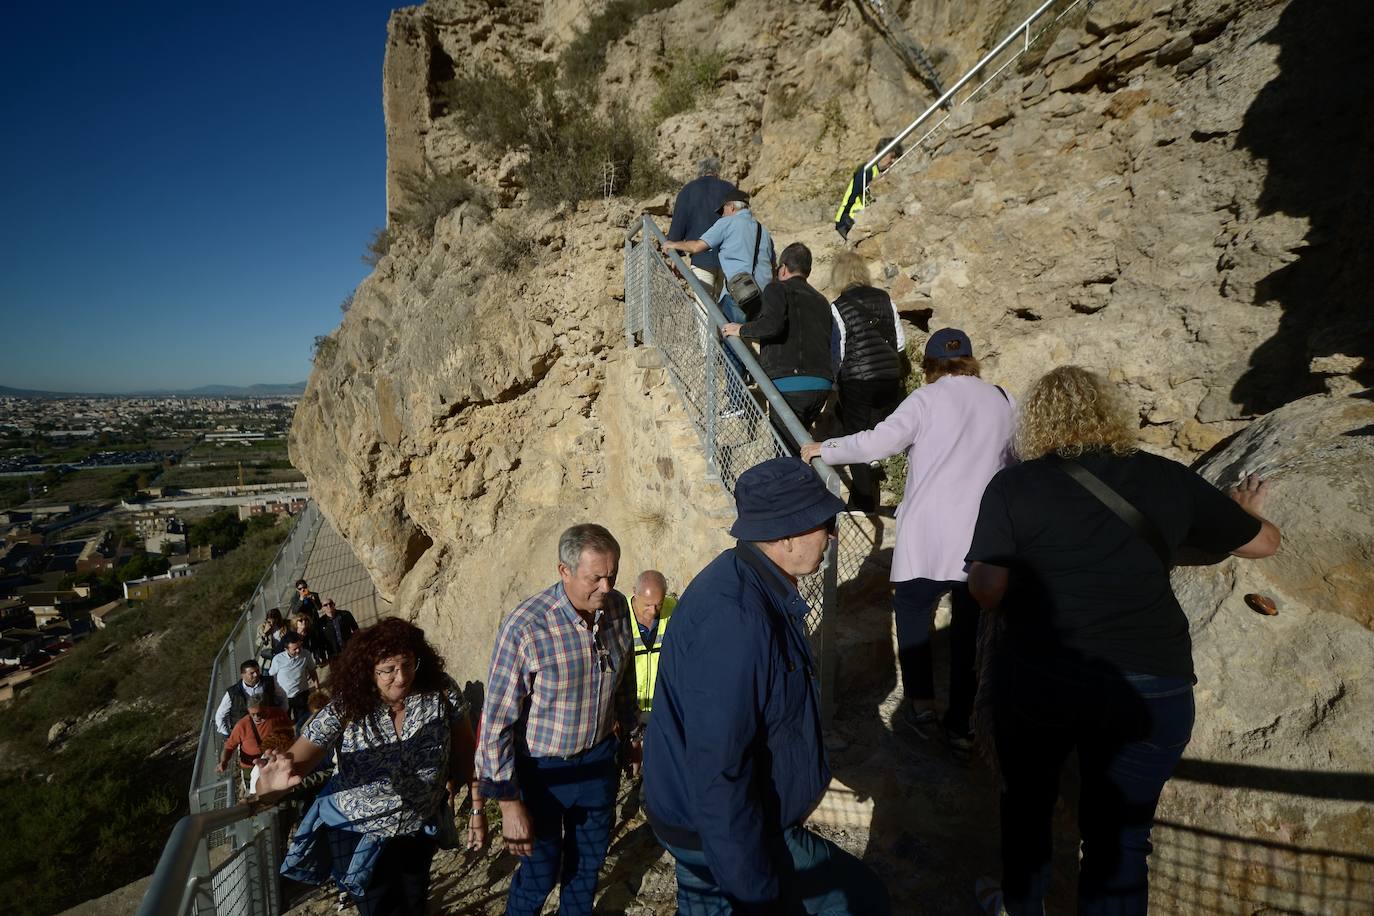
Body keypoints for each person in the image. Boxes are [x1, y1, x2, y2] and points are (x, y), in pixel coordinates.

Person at [964, 366, 1281, 916]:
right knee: (1122, 840)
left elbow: (988, 590)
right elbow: (1265, 544)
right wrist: (1243, 513)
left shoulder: (1014, 485)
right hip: (1152, 681)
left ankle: (1019, 907)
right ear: (1111, 413)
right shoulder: (1164, 476)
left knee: (1028, 808)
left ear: (1035, 423)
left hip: (1043, 678)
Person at [644, 457, 890, 914]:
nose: (833, 535)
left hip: (713, 820)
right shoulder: (736, 618)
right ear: (786, 534)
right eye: (823, 524)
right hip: (716, 827)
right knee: (859, 901)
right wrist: (754, 891)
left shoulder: (754, 582)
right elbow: (719, 769)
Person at [801, 328, 1016, 751]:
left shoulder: (926, 399)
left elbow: (879, 442)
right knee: (969, 631)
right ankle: (961, 725)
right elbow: (1016, 462)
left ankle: (920, 708)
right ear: (971, 360)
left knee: (915, 616)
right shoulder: (1003, 400)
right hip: (982, 538)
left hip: (929, 536)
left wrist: (826, 448)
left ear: (930, 366)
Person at [257, 617, 481, 916]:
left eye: (408, 664)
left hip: (417, 827)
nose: (401, 677)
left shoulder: (439, 689)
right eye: (388, 670)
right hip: (357, 832)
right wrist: (268, 786)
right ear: (368, 670)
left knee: (414, 904)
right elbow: (294, 764)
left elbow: (467, 753)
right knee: (380, 909)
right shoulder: (346, 706)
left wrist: (477, 808)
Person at [474, 523, 638, 916]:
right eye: (594, 577)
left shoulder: (615, 609)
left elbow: (624, 681)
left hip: (599, 764)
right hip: (543, 774)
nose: (606, 587)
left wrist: (632, 737)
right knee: (540, 872)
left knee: (586, 867)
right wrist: (509, 805)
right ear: (563, 571)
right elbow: (496, 722)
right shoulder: (526, 627)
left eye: (612, 575)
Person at [723, 242, 836, 444]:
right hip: (821, 385)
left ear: (783, 268)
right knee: (799, 447)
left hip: (789, 384)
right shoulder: (821, 300)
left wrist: (741, 329)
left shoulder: (776, 288)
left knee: (785, 451)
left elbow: (772, 326)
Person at [826, 252, 907, 511]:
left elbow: (836, 352)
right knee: (875, 431)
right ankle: (881, 476)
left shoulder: (838, 307)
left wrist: (836, 385)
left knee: (855, 437)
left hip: (858, 382)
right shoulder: (886, 299)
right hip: (889, 380)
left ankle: (863, 502)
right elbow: (901, 342)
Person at [662, 189, 775, 324]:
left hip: (738, 296)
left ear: (731, 207)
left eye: (723, 211)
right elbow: (772, 265)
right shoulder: (764, 231)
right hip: (764, 297)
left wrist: (674, 244)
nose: (722, 215)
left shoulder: (727, 223)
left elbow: (697, 246)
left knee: (727, 336)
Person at [666, 157, 738, 300]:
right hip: (729, 260)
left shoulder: (688, 191)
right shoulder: (730, 189)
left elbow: (679, 223)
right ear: (717, 172)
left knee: (704, 309)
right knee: (726, 311)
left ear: (700, 172)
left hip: (701, 258)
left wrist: (675, 255)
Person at [622, 570, 676, 727]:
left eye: (659, 604)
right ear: (635, 593)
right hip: (629, 712)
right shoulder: (619, 614)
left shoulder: (674, 610)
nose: (653, 611)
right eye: (647, 605)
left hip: (661, 710)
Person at [834, 137, 903, 241]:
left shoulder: (880, 172)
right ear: (882, 153)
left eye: (896, 158)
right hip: (847, 218)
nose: (893, 161)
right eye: (892, 157)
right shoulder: (867, 169)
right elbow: (857, 192)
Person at [216, 701, 292, 794]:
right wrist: (224, 762)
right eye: (253, 714)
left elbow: (289, 731)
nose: (256, 717)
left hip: (276, 759)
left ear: (267, 709)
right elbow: (229, 746)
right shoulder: (241, 726)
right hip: (251, 767)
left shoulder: (278, 714)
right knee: (255, 790)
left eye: (260, 713)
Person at [214, 659, 286, 738]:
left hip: (269, 727)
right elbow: (220, 715)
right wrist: (227, 734)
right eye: (252, 673)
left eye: (257, 671)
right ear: (243, 675)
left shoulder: (269, 682)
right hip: (246, 733)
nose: (256, 675)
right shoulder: (233, 693)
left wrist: (282, 714)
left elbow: (282, 697)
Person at [271, 631, 320, 729]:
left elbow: (312, 671)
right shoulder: (277, 660)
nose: (298, 650)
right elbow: (272, 676)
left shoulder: (306, 654)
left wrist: (317, 688)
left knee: (303, 722)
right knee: (285, 724)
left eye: (299, 647)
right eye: (294, 649)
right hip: (284, 697)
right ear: (286, 649)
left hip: (302, 694)